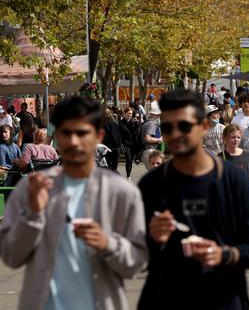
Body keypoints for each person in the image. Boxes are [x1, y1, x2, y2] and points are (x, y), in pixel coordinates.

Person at [0, 95, 148, 309]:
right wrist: (32, 216)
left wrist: (107, 244)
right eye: (66, 133)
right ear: (56, 136)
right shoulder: (32, 188)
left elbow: (137, 262)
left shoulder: (121, 193)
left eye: (82, 133)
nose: (74, 141)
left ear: (98, 136)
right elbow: (11, 255)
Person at [139, 89, 249, 309]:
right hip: (166, 297)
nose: (175, 134)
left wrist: (224, 254)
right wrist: (151, 237)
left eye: (184, 126)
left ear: (202, 126)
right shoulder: (152, 185)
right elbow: (134, 255)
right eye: (167, 128)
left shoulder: (234, 180)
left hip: (223, 297)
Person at [119, 107, 139, 180]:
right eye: (128, 113)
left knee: (130, 160)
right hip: (125, 144)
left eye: (131, 113)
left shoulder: (133, 122)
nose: (130, 115)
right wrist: (121, 144)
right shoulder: (120, 123)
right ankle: (128, 176)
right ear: (124, 114)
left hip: (132, 144)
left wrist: (136, 124)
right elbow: (120, 134)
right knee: (128, 158)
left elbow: (136, 133)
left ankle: (129, 175)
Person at [141, 104, 163, 169]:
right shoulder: (152, 123)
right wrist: (159, 140)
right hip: (149, 150)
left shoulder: (148, 122)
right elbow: (147, 139)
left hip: (148, 150)